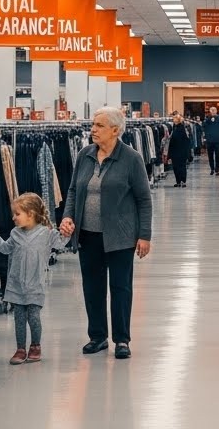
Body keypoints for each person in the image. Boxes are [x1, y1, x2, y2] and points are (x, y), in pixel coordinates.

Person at [60, 107, 153, 360]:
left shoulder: (131, 158)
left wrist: (145, 235)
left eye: (99, 126)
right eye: (93, 125)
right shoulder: (84, 155)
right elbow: (72, 191)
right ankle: (97, 336)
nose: (93, 130)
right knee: (92, 286)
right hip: (88, 235)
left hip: (120, 236)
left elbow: (144, 199)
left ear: (115, 130)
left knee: (120, 287)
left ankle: (122, 339)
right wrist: (68, 217)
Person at [0, 193, 69, 365]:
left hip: (35, 284)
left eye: (17, 214)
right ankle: (20, 348)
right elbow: (5, 248)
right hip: (16, 284)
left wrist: (67, 233)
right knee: (19, 318)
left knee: (34, 316)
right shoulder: (15, 233)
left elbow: (60, 243)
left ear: (30, 214)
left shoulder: (46, 233)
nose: (13, 218)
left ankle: (35, 346)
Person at [167, 111, 193, 188]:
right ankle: (179, 181)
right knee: (177, 167)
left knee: (180, 166)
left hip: (179, 151)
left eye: (174, 119)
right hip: (178, 151)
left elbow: (186, 141)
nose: (173, 121)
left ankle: (182, 181)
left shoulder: (181, 129)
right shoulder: (175, 128)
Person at [204, 106, 219, 176]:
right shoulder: (207, 119)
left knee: (218, 156)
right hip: (209, 141)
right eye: (211, 110)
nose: (213, 111)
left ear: (216, 111)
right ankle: (212, 169)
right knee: (210, 156)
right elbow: (204, 128)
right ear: (210, 111)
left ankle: (217, 170)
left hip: (217, 140)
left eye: (214, 110)